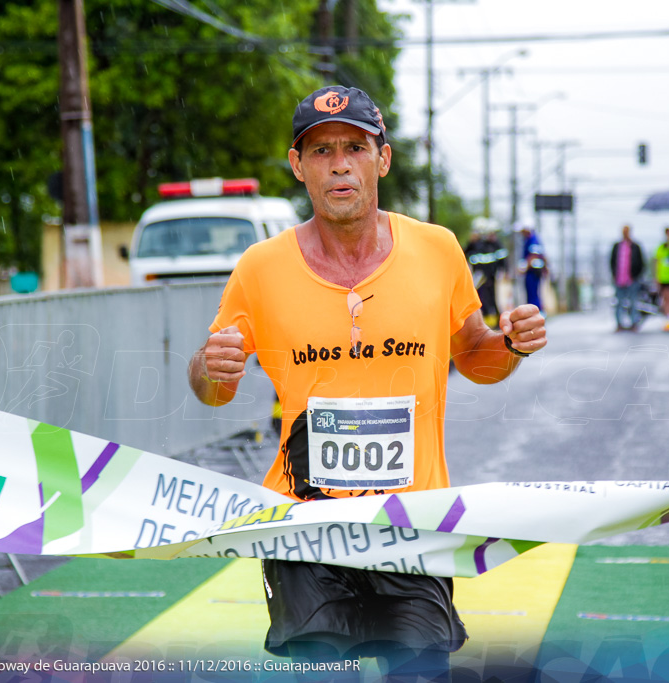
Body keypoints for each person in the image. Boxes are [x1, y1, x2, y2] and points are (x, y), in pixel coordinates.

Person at [188, 85, 547, 681]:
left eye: (354, 147)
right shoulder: (261, 268)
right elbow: (212, 387)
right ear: (298, 165)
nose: (339, 164)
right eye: (321, 150)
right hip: (304, 523)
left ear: (381, 159)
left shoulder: (437, 250)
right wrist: (209, 365)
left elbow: (477, 359)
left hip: (413, 518)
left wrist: (510, 344)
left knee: (422, 669)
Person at [465, 225, 507, 327]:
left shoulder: (492, 245)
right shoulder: (476, 246)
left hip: (489, 277)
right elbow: (466, 254)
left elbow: (499, 260)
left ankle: (494, 321)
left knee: (490, 299)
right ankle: (486, 322)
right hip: (479, 277)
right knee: (481, 299)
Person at [609, 224, 645, 331]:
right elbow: (612, 262)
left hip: (632, 279)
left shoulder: (635, 246)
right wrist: (614, 275)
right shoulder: (617, 246)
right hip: (619, 279)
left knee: (634, 302)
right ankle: (619, 324)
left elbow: (641, 263)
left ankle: (634, 323)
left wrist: (637, 275)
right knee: (619, 302)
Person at [521, 227, 549, 311]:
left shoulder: (532, 240)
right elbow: (543, 256)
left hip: (533, 272)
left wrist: (523, 267)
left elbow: (533, 256)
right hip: (535, 271)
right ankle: (537, 313)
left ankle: (536, 313)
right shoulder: (534, 239)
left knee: (532, 294)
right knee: (534, 294)